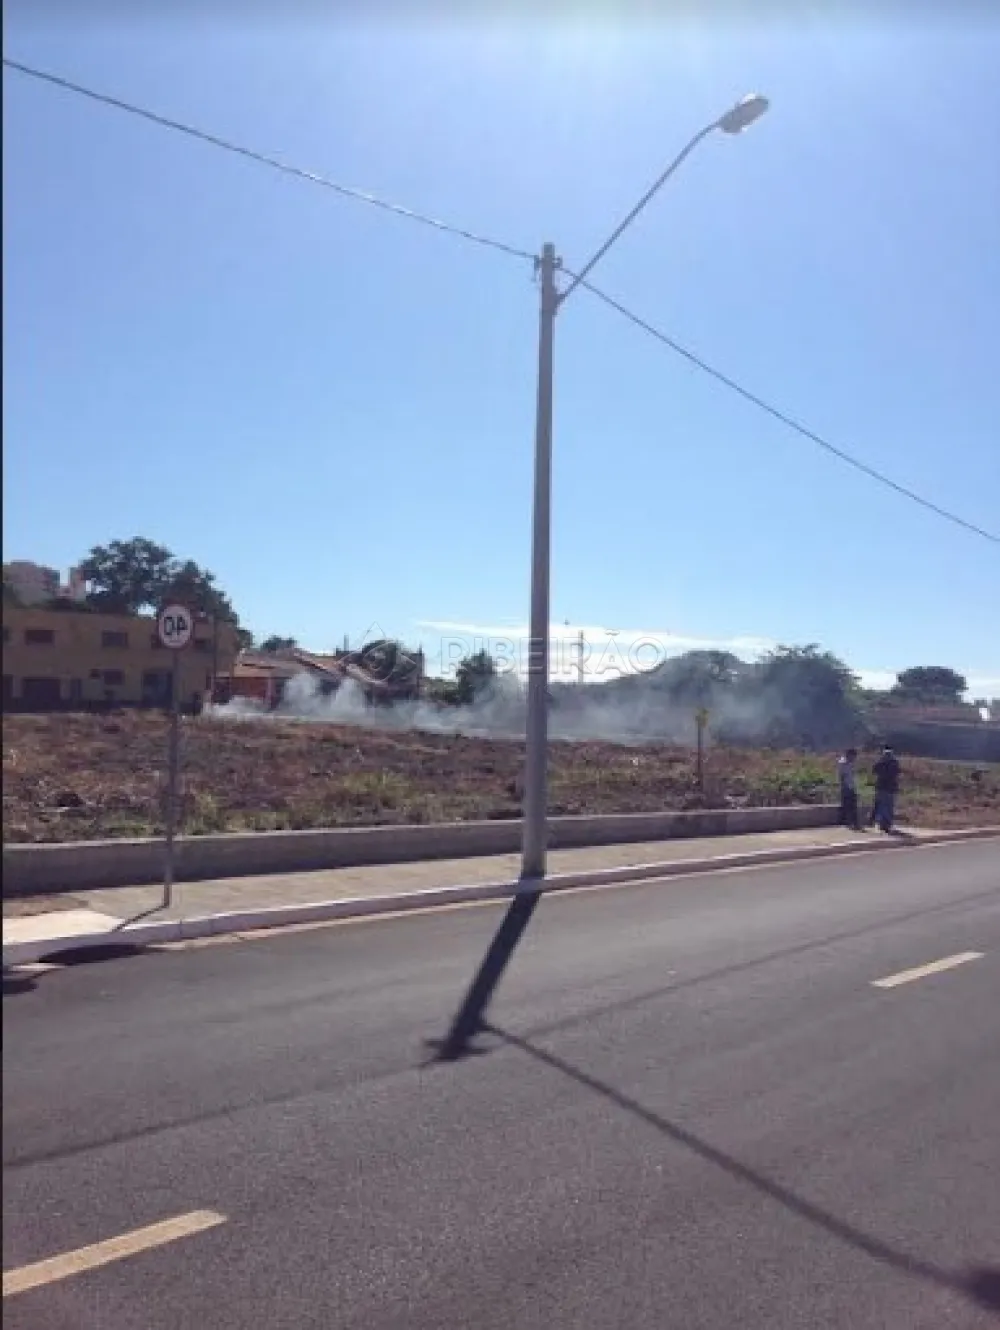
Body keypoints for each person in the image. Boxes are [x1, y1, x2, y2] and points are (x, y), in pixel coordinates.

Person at [871, 745, 901, 832]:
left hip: (883, 787)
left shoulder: (882, 762)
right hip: (888, 788)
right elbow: (897, 773)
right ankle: (886, 823)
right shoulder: (894, 763)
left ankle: (883, 823)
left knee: (883, 806)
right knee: (887, 806)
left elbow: (874, 770)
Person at [837, 747, 861, 830]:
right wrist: (844, 785)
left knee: (853, 805)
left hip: (851, 786)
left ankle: (854, 823)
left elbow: (853, 775)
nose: (854, 758)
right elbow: (842, 776)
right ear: (849, 755)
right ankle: (849, 822)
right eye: (853, 756)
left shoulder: (851, 763)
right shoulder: (843, 763)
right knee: (848, 805)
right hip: (846, 787)